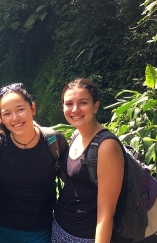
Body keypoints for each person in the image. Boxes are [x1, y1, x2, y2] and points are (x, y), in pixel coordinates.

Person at [0, 83, 68, 243]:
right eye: (7, 113)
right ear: (2, 118)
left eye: (20, 109)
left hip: (39, 230)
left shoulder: (53, 141)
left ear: (33, 108)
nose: (15, 118)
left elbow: (73, 182)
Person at [52, 78, 125, 243]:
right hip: (59, 228)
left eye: (83, 102)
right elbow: (75, 179)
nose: (75, 109)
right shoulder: (76, 135)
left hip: (85, 236)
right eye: (69, 103)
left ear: (96, 106)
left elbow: (106, 214)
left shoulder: (106, 146)